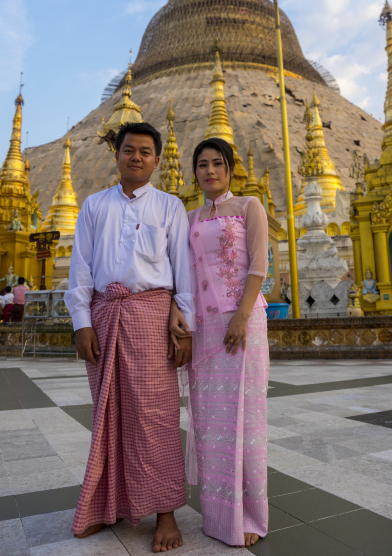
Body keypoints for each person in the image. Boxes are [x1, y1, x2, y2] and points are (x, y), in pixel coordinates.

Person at [64, 122, 194, 552]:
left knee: (153, 416)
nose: (136, 157)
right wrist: (81, 321)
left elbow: (184, 272)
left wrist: (185, 324)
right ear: (116, 155)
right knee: (109, 416)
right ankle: (108, 505)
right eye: (128, 150)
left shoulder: (170, 206)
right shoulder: (95, 206)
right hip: (104, 315)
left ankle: (166, 512)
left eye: (144, 152)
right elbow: (80, 268)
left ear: (157, 160)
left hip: (151, 316)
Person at [170, 137, 269, 548]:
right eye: (202, 165)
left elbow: (258, 264)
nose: (209, 171)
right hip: (204, 327)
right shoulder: (188, 217)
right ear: (195, 172)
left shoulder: (250, 206)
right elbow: (181, 274)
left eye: (217, 163)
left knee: (244, 420)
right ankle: (217, 515)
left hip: (241, 322)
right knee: (210, 424)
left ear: (229, 168)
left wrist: (242, 318)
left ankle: (249, 516)